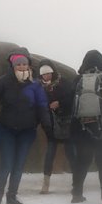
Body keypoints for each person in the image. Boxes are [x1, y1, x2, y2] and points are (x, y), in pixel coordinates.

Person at [0, 48, 51, 204]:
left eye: (24, 64)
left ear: (29, 65)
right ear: (13, 66)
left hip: (27, 132)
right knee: (7, 163)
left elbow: (42, 107)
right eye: (18, 64)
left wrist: (47, 126)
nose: (21, 66)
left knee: (18, 165)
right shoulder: (3, 82)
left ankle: (11, 197)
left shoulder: (35, 84)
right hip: (6, 129)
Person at [71, 50, 102, 204]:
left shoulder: (78, 80)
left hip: (82, 128)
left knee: (81, 161)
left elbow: (71, 102)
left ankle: (77, 194)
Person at [37, 59, 75, 194]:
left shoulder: (63, 82)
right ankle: (45, 183)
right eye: (43, 74)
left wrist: (59, 103)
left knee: (71, 153)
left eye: (48, 73)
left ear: (53, 72)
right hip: (51, 126)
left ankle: (76, 182)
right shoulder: (39, 87)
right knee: (50, 153)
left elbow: (72, 98)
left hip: (66, 122)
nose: (46, 76)